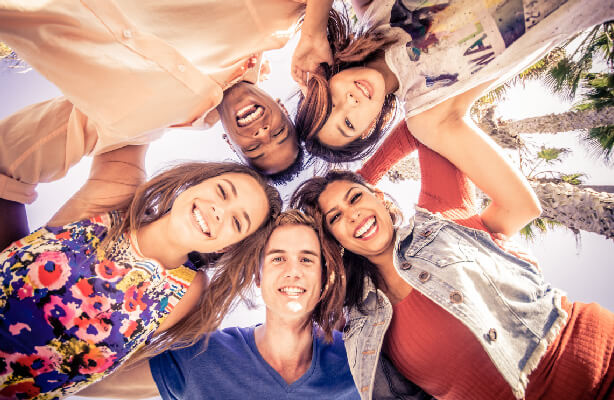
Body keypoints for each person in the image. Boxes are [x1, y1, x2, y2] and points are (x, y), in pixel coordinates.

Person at [291, 117, 614, 399]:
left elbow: (420, 124)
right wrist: (355, 192)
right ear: (334, 240)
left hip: (601, 362)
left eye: (356, 199)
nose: (352, 214)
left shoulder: (441, 217)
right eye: (335, 217)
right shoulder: (359, 321)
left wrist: (359, 178)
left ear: (380, 197)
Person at [0, 0, 331, 248]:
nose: (262, 132)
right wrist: (313, 32)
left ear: (232, 144)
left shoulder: (141, 126)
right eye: (278, 132)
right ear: (284, 111)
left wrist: (16, 270)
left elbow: (10, 163)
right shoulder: (273, 25)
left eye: (256, 148)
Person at [0, 144, 282, 399]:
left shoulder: (188, 293)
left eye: (237, 222)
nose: (220, 211)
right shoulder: (116, 198)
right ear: (195, 182)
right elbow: (131, 112)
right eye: (222, 192)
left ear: (226, 247)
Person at [76, 210, 365, 399]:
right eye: (277, 258)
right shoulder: (203, 355)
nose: (293, 270)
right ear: (257, 277)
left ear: (325, 278)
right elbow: (86, 378)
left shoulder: (360, 358)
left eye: (306, 259)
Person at [291, 0, 614, 163]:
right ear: (367, 129)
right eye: (347, 122)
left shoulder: (374, 10)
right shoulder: (427, 114)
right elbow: (519, 208)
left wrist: (314, 32)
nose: (351, 101)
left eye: (332, 102)